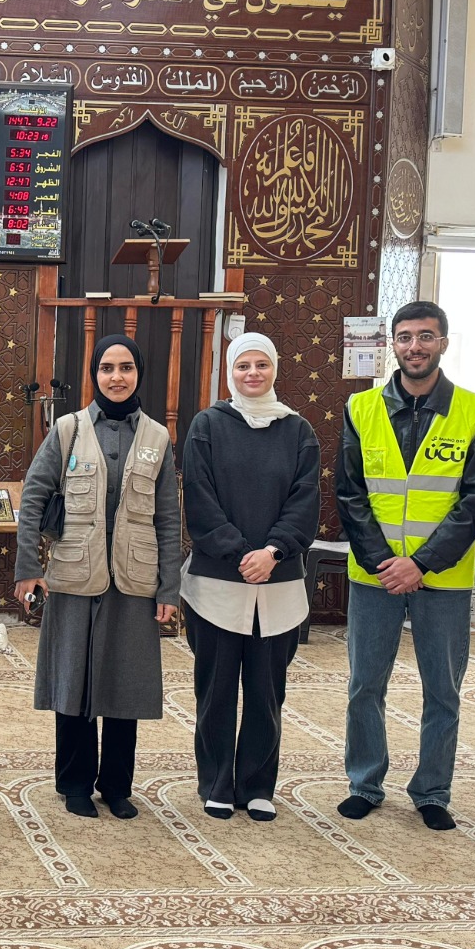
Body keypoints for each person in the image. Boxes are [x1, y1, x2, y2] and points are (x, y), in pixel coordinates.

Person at [336, 300, 475, 830]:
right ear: (393, 345)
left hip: (443, 578)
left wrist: (421, 564)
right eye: (405, 337)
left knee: (442, 691)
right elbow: (350, 493)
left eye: (426, 336)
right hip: (375, 575)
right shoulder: (361, 408)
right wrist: (386, 562)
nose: (415, 346)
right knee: (365, 685)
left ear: (443, 342)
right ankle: (364, 782)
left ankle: (432, 792)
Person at [14, 334, 183, 819]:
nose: (116, 377)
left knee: (125, 684)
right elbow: (33, 497)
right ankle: (74, 784)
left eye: (126, 367)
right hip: (74, 575)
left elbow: (168, 518)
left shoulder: (157, 437)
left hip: (134, 579)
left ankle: (116, 786)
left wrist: (169, 587)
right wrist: (28, 568)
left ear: (139, 374)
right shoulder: (67, 430)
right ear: (94, 375)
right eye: (107, 368)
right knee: (74, 681)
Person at [178, 333, 320, 821]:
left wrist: (273, 551)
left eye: (261, 364)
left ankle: (258, 786)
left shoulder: (298, 430)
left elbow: (305, 500)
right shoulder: (207, 425)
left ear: (275, 369)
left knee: (266, 692)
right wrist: (242, 553)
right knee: (216, 691)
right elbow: (199, 499)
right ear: (229, 372)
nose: (252, 373)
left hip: (278, 585)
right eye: (243, 366)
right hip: (218, 585)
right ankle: (217, 782)